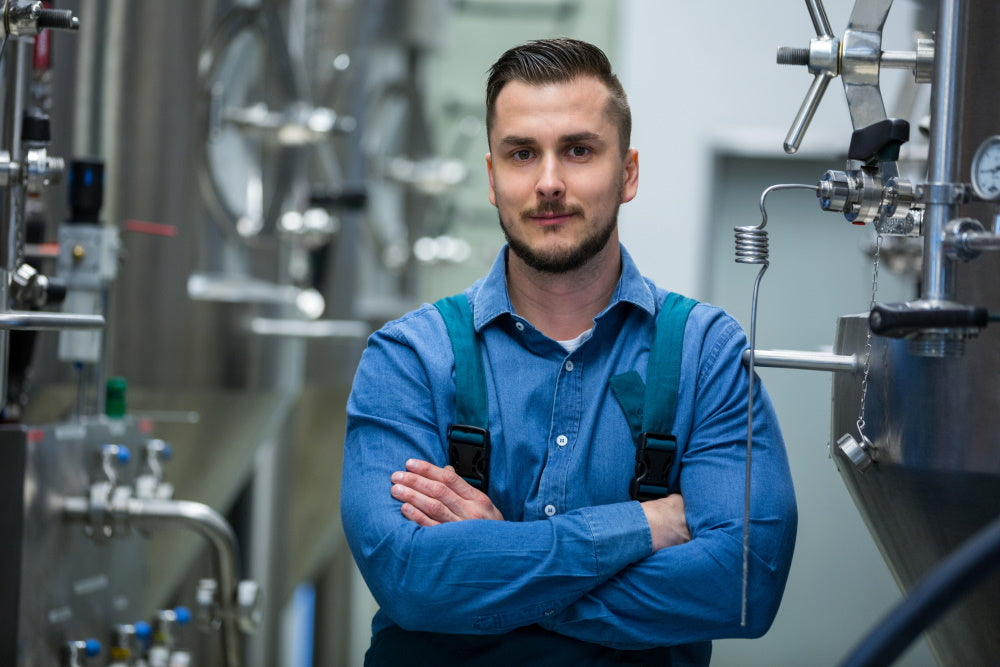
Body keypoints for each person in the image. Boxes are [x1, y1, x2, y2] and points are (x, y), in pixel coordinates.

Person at [340, 38, 797, 666]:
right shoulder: (408, 360)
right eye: (522, 153)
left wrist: (499, 559)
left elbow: (745, 585)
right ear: (492, 178)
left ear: (628, 172)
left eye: (579, 151)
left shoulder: (706, 355)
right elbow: (410, 581)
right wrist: (642, 527)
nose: (549, 182)